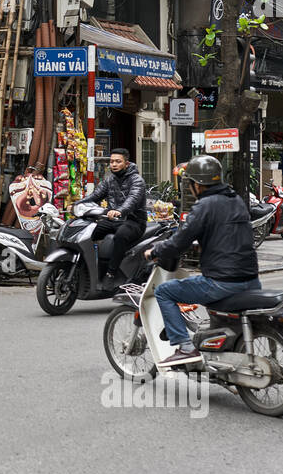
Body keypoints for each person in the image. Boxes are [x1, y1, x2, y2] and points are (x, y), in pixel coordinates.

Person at [144, 154, 262, 367]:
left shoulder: (204, 205)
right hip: (251, 279)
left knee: (164, 291)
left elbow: (180, 241)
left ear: (196, 185)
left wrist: (156, 250)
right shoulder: (235, 200)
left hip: (222, 282)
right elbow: (227, 233)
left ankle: (185, 347)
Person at [78, 148, 147, 287]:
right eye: (111, 161)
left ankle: (111, 273)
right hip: (113, 220)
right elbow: (95, 195)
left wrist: (119, 211)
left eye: (118, 161)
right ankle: (84, 268)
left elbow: (132, 200)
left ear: (126, 164)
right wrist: (77, 204)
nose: (114, 164)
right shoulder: (110, 179)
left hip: (133, 221)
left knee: (120, 236)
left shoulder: (137, 180)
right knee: (87, 232)